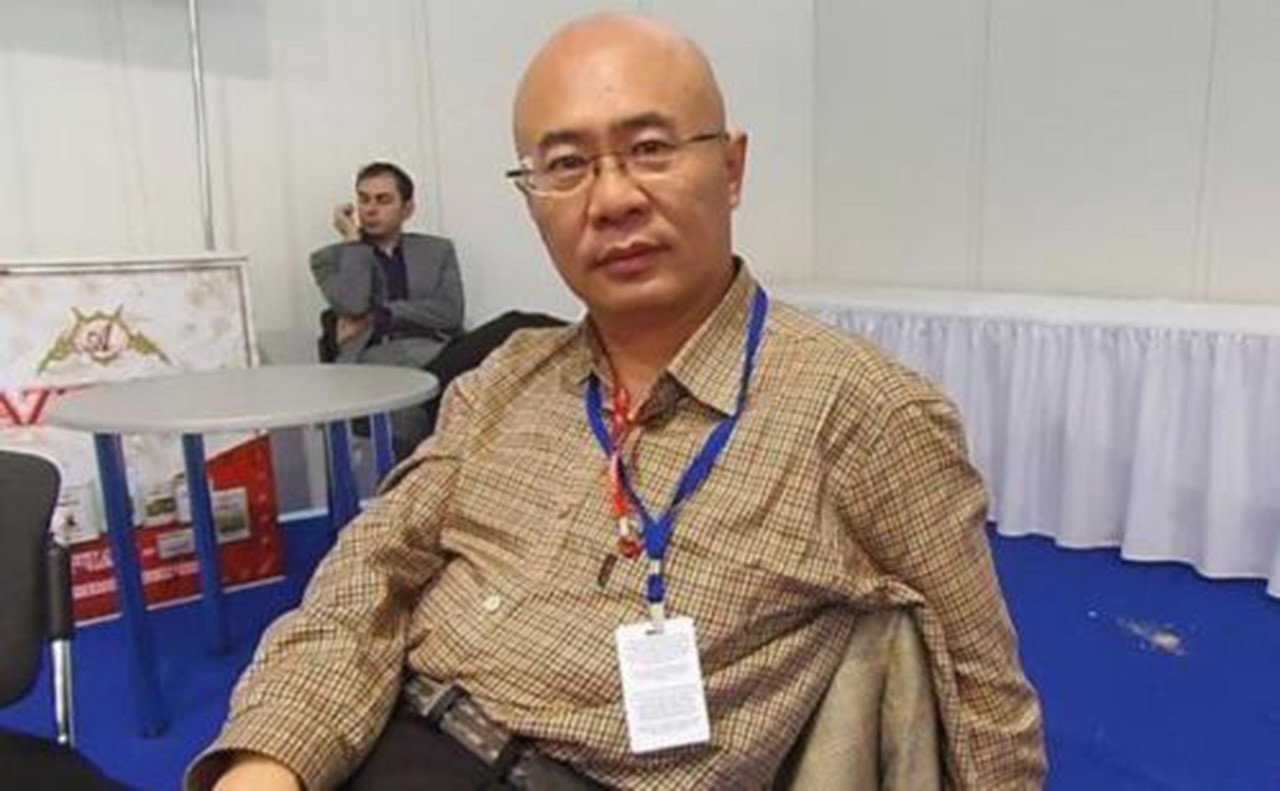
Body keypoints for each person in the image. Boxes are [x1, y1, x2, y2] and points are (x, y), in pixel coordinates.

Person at [192, 13, 1045, 790]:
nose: (612, 199)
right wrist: (267, 765)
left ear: (732, 167)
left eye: (651, 148)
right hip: (387, 740)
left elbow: (985, 698)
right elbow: (369, 572)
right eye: (565, 166)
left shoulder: (863, 412)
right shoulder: (503, 378)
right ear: (531, 198)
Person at [311, 161, 464, 457]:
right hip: (375, 360)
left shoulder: (437, 250)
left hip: (438, 353)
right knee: (407, 414)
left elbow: (450, 313)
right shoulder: (329, 259)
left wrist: (382, 315)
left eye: (383, 200)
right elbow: (353, 303)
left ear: (407, 209)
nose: (370, 209)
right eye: (364, 199)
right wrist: (352, 242)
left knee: (514, 327)